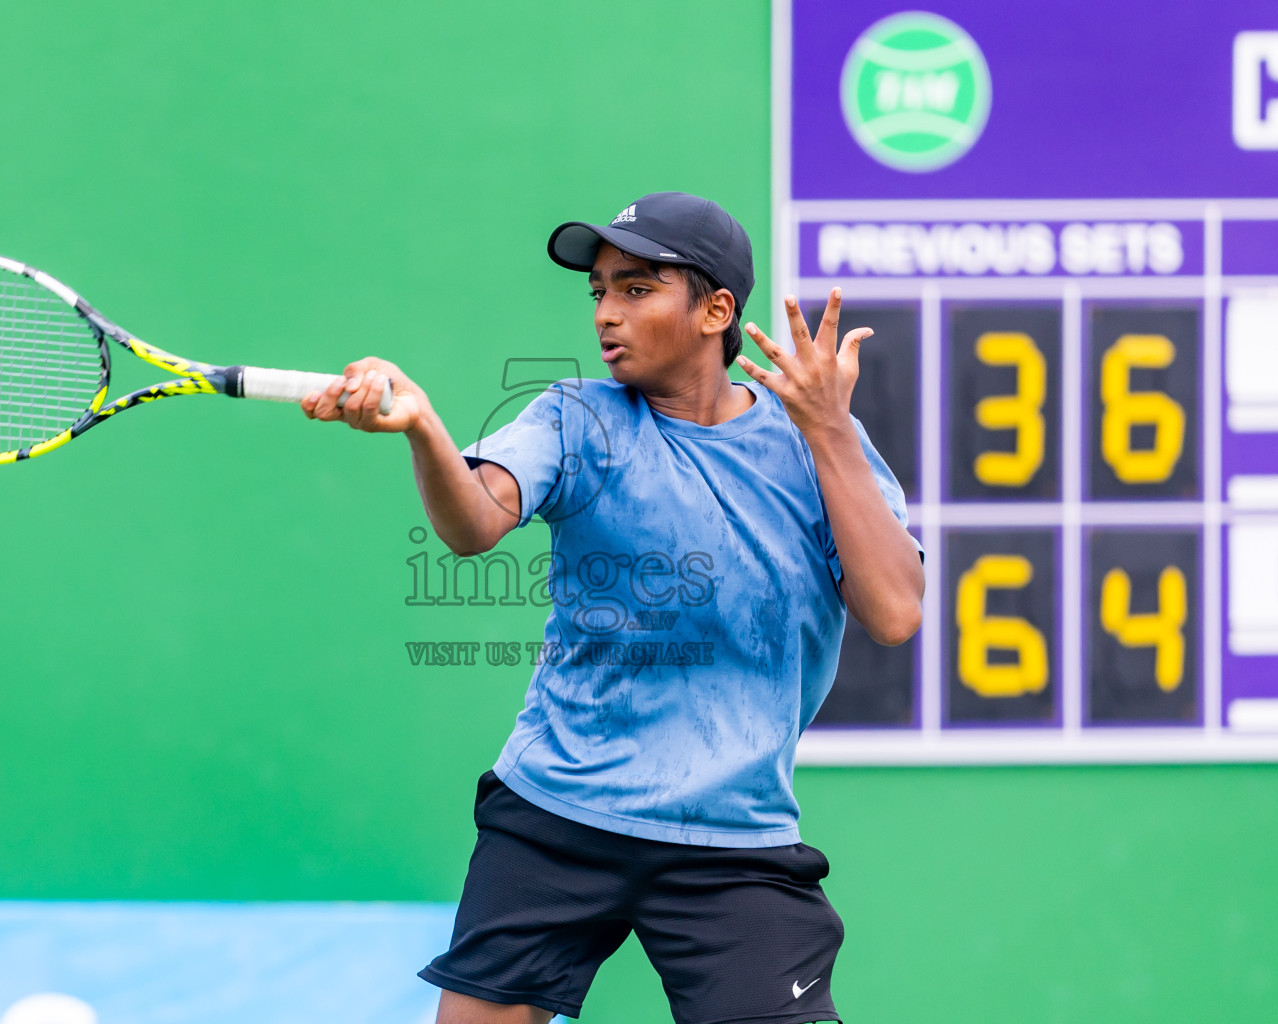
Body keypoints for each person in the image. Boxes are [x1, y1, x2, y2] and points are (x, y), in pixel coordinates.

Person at [300, 192, 925, 1024]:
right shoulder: (574, 416)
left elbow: (893, 612)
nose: (607, 313)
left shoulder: (816, 445)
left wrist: (831, 432)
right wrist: (424, 429)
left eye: (635, 288)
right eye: (598, 291)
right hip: (559, 812)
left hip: (732, 836)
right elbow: (476, 522)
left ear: (716, 310)